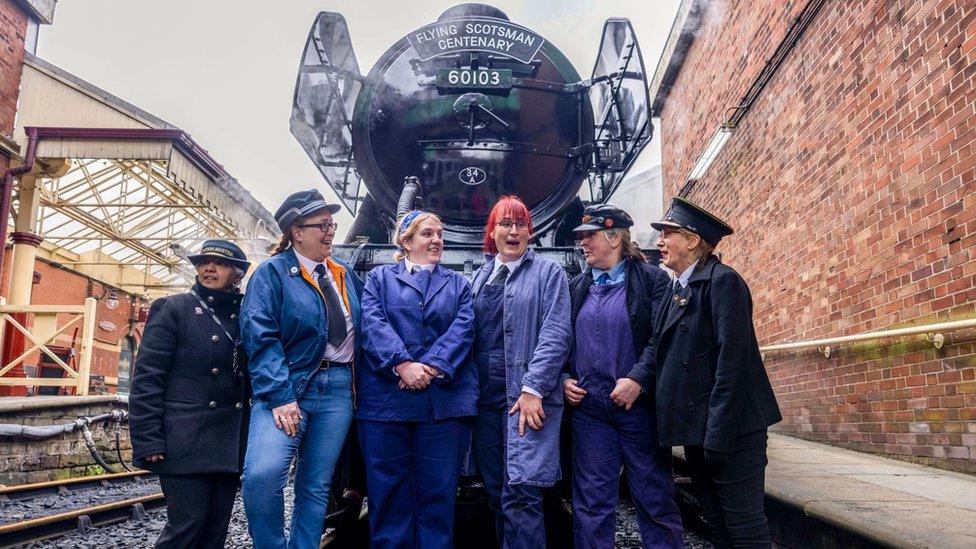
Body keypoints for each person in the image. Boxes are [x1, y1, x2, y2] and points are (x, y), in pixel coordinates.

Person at [651, 197, 782, 548]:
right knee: (718, 525)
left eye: (667, 233)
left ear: (693, 240)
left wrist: (718, 437)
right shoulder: (677, 288)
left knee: (745, 527)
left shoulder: (723, 282)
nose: (659, 242)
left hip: (731, 431)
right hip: (700, 431)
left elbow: (733, 364)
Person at [240, 189, 363, 549]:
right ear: (296, 231)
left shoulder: (344, 274)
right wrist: (280, 395)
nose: (330, 232)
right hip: (289, 385)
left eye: (331, 224)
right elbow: (260, 335)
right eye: (322, 225)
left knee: (316, 483)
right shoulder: (272, 274)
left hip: (339, 388)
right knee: (262, 476)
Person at [563, 204, 684, 548]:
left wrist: (639, 379)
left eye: (590, 236)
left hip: (638, 410)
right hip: (590, 412)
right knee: (590, 503)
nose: (582, 244)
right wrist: (563, 378)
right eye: (580, 238)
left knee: (654, 498)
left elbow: (663, 337)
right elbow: (560, 340)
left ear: (615, 237)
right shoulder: (576, 286)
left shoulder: (652, 280)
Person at [356, 210, 476, 548]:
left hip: (442, 406)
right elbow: (373, 322)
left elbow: (464, 328)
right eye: (427, 234)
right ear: (406, 242)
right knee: (387, 495)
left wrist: (432, 367)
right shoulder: (380, 279)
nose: (437, 240)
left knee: (438, 496)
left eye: (439, 234)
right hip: (386, 405)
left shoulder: (459, 285)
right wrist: (402, 364)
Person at [129, 239, 251, 549]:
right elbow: (147, 379)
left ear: (238, 274)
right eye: (203, 262)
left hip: (228, 445)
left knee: (214, 534)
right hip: (185, 441)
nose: (209, 268)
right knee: (186, 527)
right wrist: (148, 439)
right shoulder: (173, 309)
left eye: (220, 263)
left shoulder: (247, 315)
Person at [470, 195, 572, 549]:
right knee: (497, 495)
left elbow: (556, 334)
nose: (513, 231)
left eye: (520, 225)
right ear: (492, 232)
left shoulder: (549, 273)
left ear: (530, 231)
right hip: (486, 401)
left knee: (522, 496)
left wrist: (534, 389)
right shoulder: (479, 277)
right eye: (505, 224)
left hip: (523, 400)